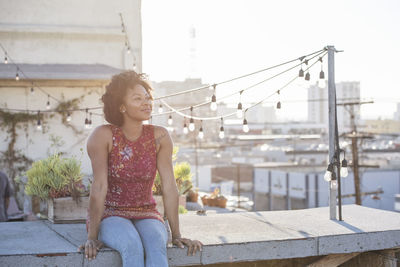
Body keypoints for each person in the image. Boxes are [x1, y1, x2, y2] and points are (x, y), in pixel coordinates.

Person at [78, 71, 202, 267]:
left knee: (155, 244)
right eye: (138, 98)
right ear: (121, 106)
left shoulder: (159, 136)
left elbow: (169, 186)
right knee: (131, 244)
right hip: (111, 213)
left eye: (148, 98)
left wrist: (177, 234)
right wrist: (92, 237)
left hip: (147, 213)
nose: (147, 103)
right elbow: (99, 187)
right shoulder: (103, 136)